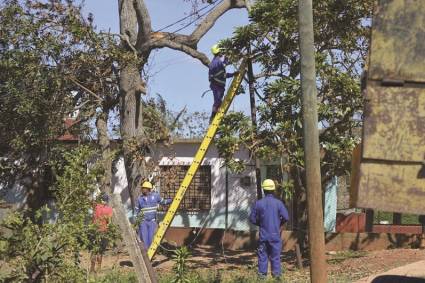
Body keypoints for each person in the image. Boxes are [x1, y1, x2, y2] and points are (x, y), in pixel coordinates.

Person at [249, 179, 289, 279]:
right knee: (275, 257)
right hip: (275, 236)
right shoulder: (278, 203)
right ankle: (277, 278)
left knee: (262, 257)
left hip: (264, 236)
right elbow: (286, 217)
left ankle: (262, 278)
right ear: (273, 190)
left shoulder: (259, 203)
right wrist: (279, 224)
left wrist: (260, 223)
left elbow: (252, 219)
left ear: (264, 190)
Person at [136, 181, 172, 250]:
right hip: (143, 222)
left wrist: (171, 200)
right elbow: (136, 211)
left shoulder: (155, 196)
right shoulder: (139, 199)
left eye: (144, 188)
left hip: (152, 222)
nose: (143, 189)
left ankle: (150, 255)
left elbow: (163, 202)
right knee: (144, 239)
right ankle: (146, 255)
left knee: (151, 239)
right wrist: (137, 222)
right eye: (142, 188)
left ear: (149, 189)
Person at [208, 43, 237, 122]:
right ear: (219, 52)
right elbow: (223, 74)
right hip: (217, 86)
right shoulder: (218, 63)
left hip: (217, 85)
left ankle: (214, 117)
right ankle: (214, 117)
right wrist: (233, 74)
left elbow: (221, 71)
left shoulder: (214, 62)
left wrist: (227, 60)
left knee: (218, 101)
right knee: (218, 101)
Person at [90, 193, 113, 273]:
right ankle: (99, 268)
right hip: (103, 231)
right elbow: (109, 222)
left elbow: (91, 202)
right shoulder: (109, 209)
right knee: (100, 251)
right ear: (106, 201)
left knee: (93, 250)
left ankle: (92, 268)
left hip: (94, 231)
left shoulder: (96, 206)